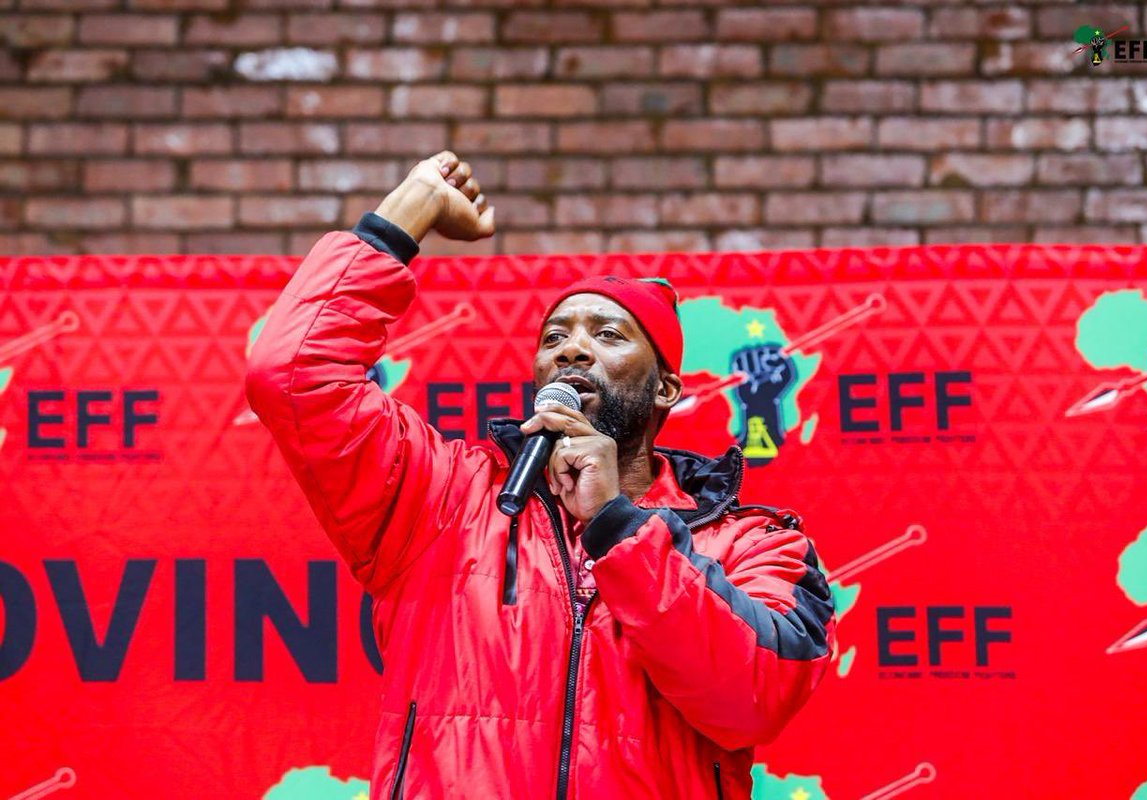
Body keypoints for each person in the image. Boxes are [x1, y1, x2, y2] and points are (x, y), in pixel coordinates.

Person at [245, 151, 836, 800]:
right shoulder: (442, 498)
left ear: (666, 388)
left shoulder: (754, 544)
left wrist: (617, 525)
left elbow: (755, 697)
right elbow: (292, 374)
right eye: (555, 337)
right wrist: (404, 216)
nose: (572, 348)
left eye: (608, 334)